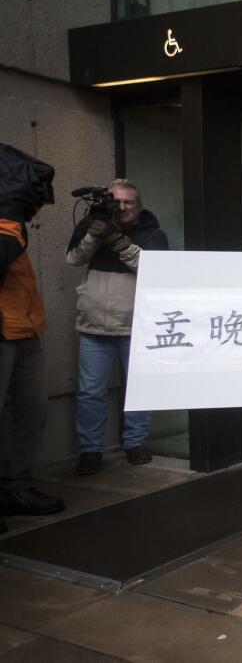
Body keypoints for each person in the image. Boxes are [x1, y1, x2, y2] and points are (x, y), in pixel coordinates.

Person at [67, 179, 169, 475]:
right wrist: (94, 235)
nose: (122, 207)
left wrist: (118, 240)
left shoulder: (153, 234)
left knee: (137, 389)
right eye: (117, 201)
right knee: (89, 393)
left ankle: (135, 442)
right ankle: (90, 450)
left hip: (135, 326)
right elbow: (73, 258)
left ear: (139, 205)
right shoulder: (93, 228)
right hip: (93, 326)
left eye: (129, 202)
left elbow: (152, 268)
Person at [0, 143, 65, 529]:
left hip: (25, 328)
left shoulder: (11, 223)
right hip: (2, 332)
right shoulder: (8, 226)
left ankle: (15, 486)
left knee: (31, 412)